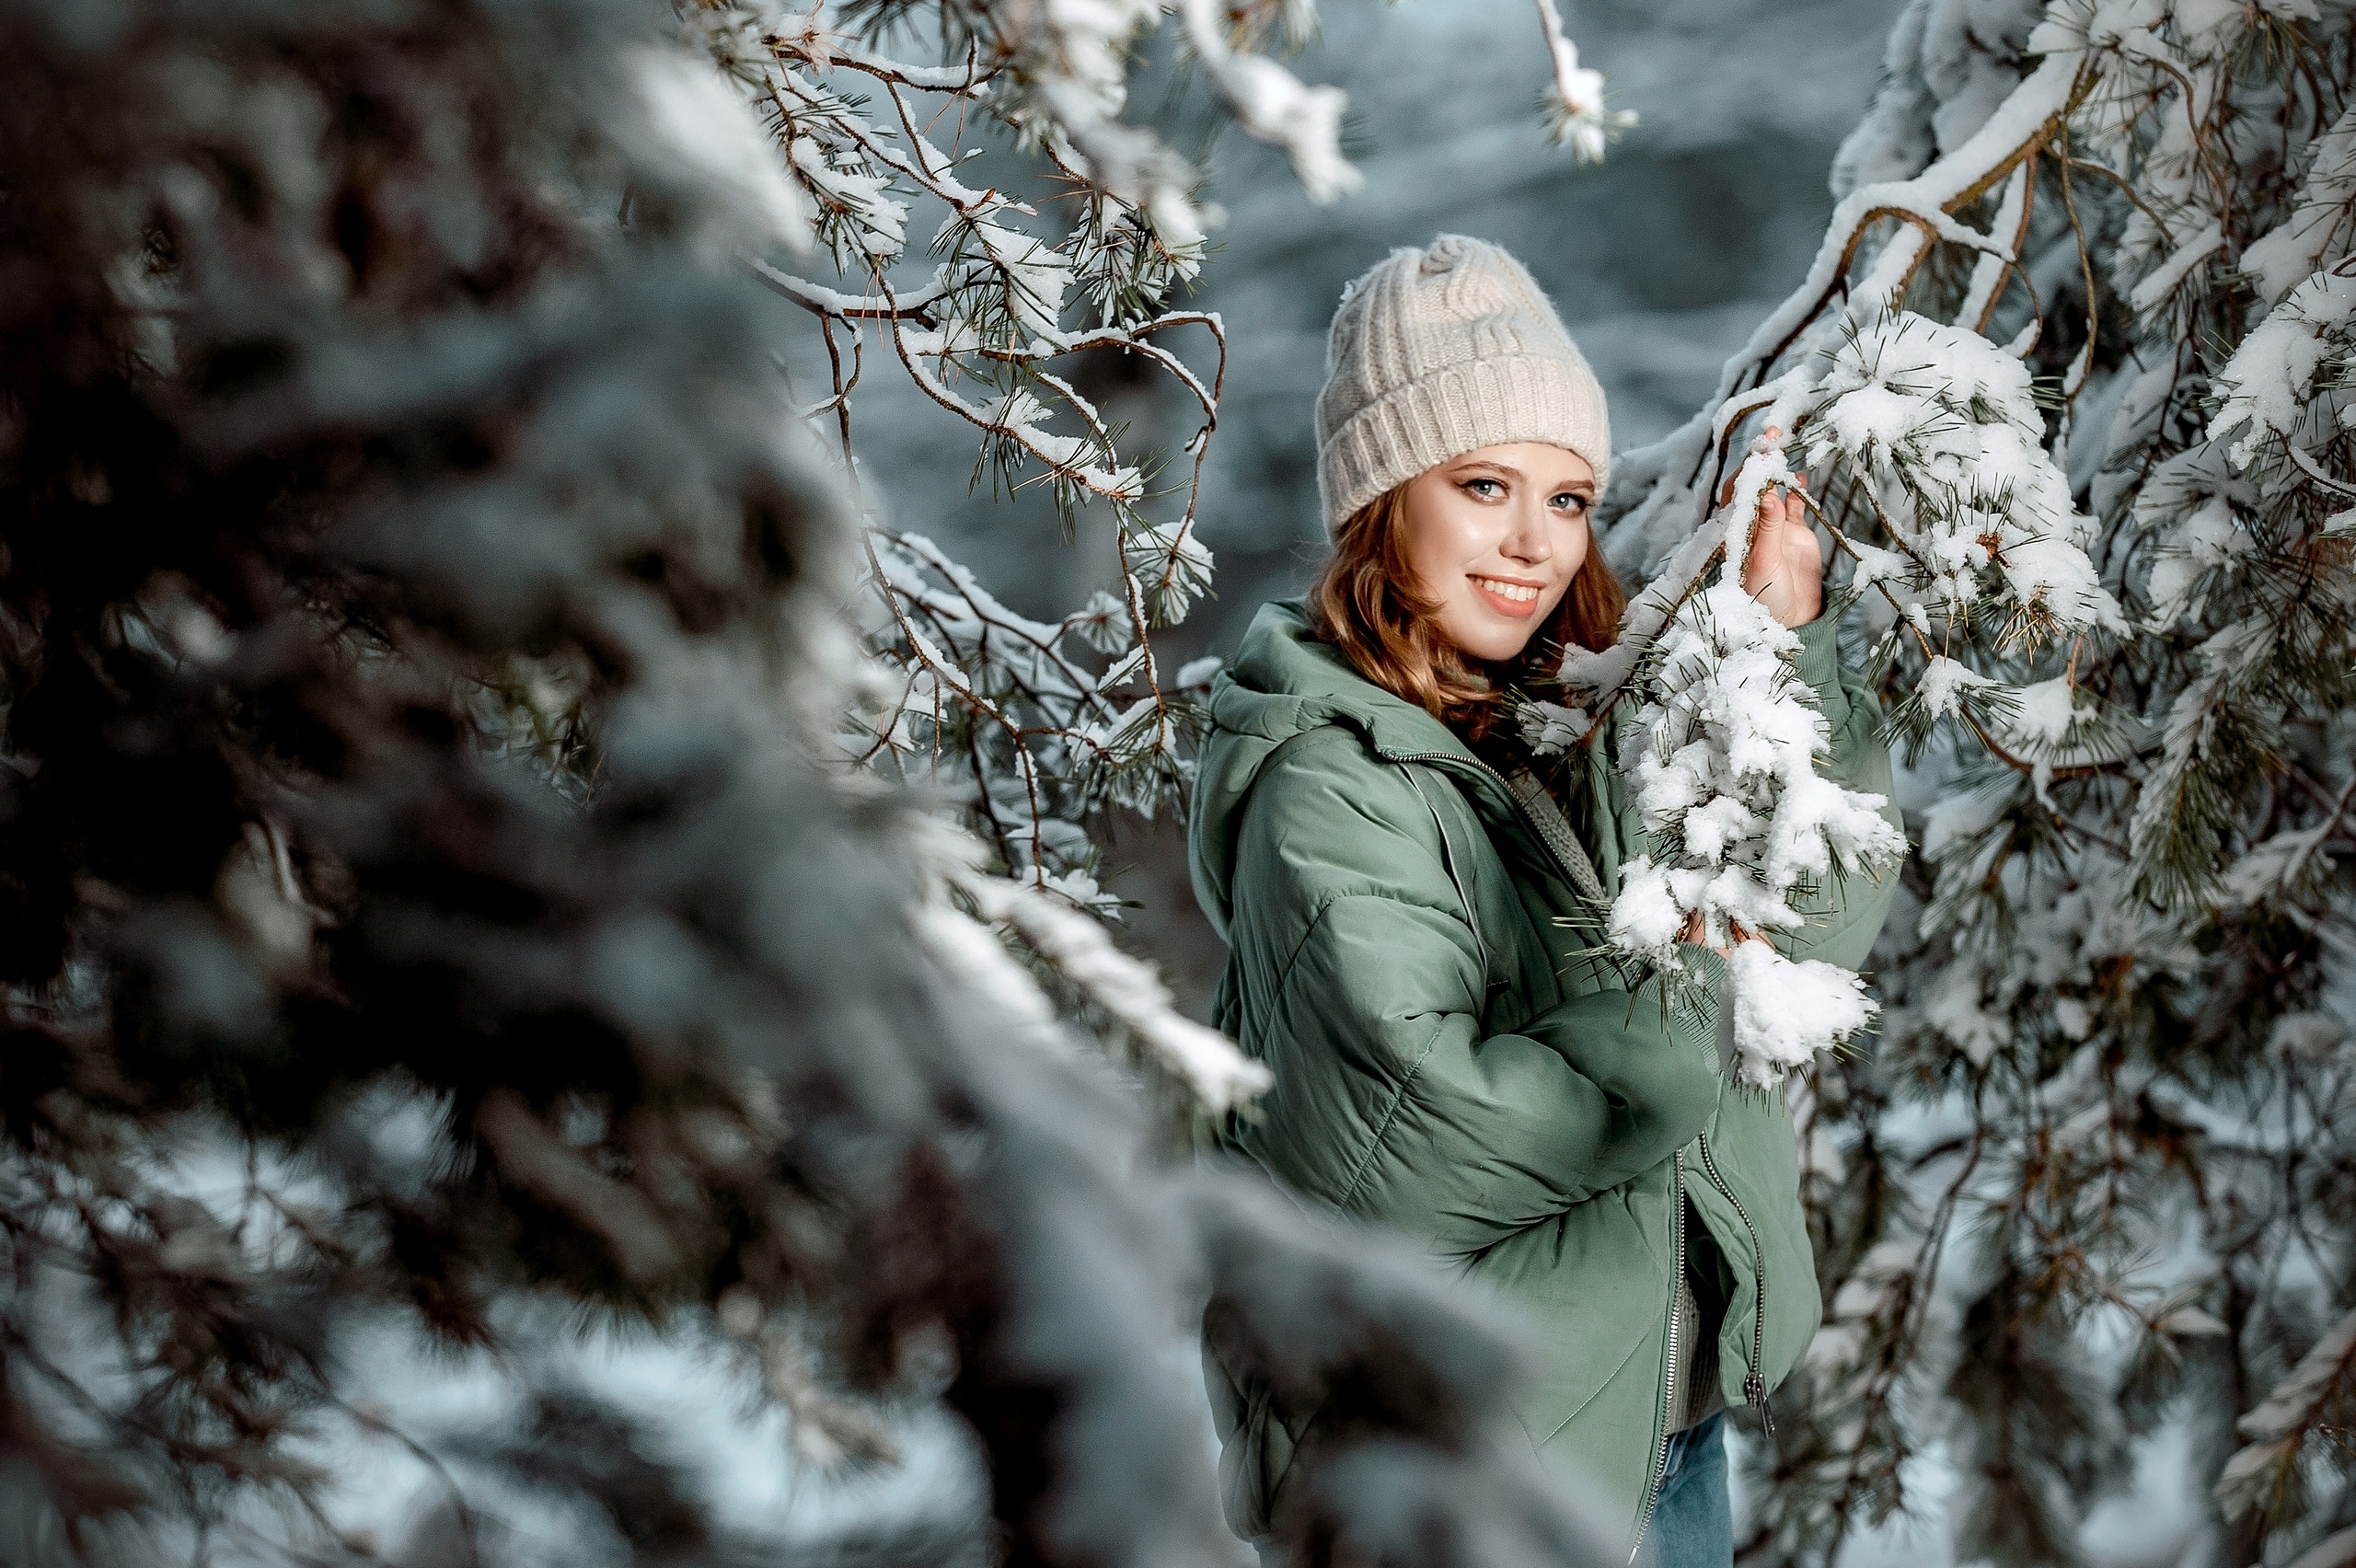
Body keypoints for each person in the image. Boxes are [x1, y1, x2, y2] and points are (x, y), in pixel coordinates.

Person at [1186, 235, 1900, 1566]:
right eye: (1483, 485)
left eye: (1569, 499)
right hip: (1469, 1477)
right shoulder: (1326, 784)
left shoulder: (1560, 720)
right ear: (1382, 501)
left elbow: (1803, 945)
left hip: (1648, 1426)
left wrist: (1778, 657)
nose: (1533, 543)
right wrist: (1691, 995)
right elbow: (1424, 1127)